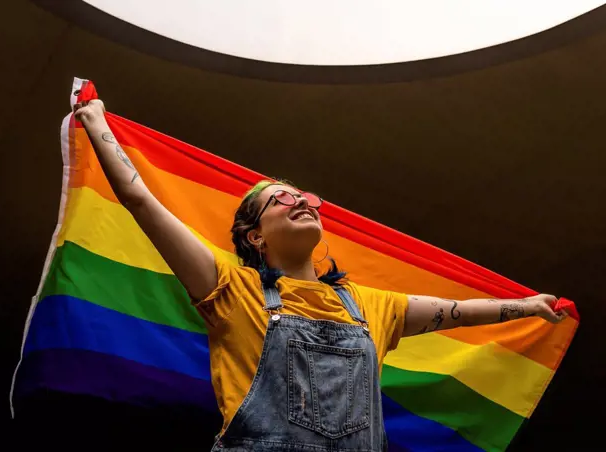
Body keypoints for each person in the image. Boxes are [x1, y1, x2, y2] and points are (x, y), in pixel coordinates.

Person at [74, 99, 568, 452]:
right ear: (256, 237)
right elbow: (140, 199)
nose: (301, 202)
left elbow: (457, 312)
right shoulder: (230, 290)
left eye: (305, 199)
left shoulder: (371, 306)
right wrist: (96, 120)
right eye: (280, 199)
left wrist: (527, 306)